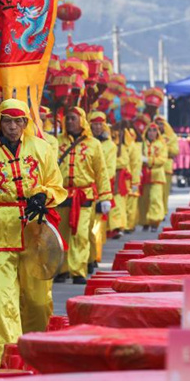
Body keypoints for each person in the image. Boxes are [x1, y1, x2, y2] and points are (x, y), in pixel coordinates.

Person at [0, 100, 66, 367]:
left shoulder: (41, 149)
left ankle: (36, 349)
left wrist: (45, 194)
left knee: (37, 299)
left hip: (35, 231)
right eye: (7, 121)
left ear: (25, 124)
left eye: (18, 121)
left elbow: (56, 185)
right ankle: (8, 357)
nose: (12, 126)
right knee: (2, 298)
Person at [55, 107, 112, 284]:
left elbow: (101, 172)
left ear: (81, 120)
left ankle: (78, 270)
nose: (69, 122)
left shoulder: (93, 144)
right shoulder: (57, 142)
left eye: (73, 118)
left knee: (80, 234)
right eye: (67, 119)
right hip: (62, 195)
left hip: (84, 196)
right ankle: (61, 269)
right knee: (60, 235)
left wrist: (105, 196)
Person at [88, 111, 116, 271]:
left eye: (100, 124)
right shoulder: (85, 142)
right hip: (84, 188)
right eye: (94, 124)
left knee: (96, 226)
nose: (97, 127)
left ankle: (93, 256)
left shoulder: (109, 146)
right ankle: (88, 257)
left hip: (99, 188)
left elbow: (110, 170)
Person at [142, 122, 169, 232]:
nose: (152, 133)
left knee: (155, 199)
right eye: (150, 130)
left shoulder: (161, 144)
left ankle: (155, 221)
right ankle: (145, 221)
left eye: (154, 131)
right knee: (144, 200)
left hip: (157, 176)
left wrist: (147, 160)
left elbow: (162, 160)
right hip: (144, 176)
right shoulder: (142, 144)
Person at [155, 116, 180, 215]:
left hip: (166, 168)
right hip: (153, 169)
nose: (158, 126)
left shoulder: (172, 136)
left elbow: (175, 151)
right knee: (155, 194)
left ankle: (163, 212)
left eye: (161, 123)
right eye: (157, 123)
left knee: (164, 193)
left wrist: (164, 147)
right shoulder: (151, 135)